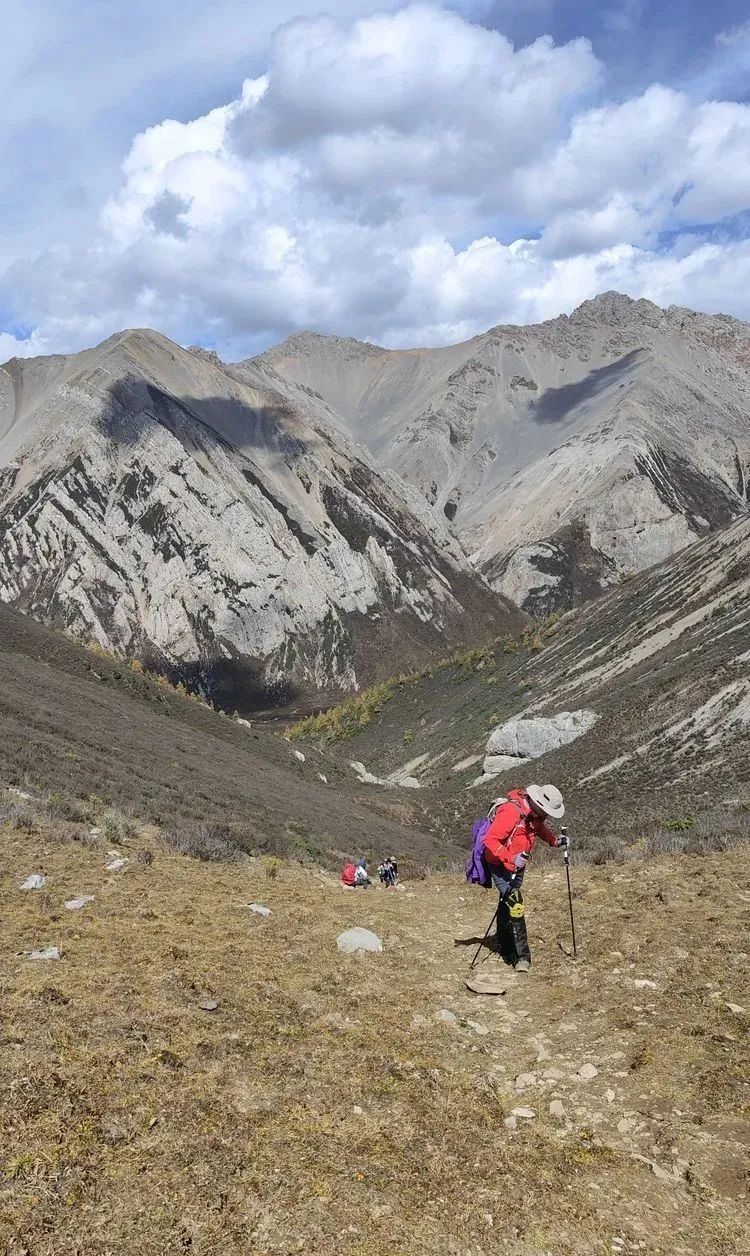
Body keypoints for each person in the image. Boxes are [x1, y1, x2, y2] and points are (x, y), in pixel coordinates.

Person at [482, 783, 568, 973]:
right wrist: (511, 857)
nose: (546, 815)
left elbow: (538, 828)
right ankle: (522, 957)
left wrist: (554, 841)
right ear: (537, 802)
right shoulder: (511, 812)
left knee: (506, 902)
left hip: (518, 865)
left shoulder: (535, 815)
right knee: (515, 903)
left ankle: (505, 946)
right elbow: (489, 840)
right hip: (500, 864)